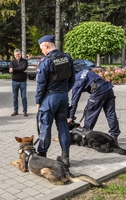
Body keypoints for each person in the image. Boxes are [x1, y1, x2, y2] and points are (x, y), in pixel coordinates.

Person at [35, 35, 75, 167]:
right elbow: (72, 79)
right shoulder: (67, 58)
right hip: (63, 97)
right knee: (63, 126)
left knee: (45, 127)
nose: (42, 51)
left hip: (50, 98)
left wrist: (38, 101)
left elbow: (41, 84)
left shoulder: (46, 61)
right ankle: (65, 158)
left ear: (46, 46)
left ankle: (42, 156)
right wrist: (64, 90)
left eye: (42, 48)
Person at [68, 69, 120, 144]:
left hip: (98, 91)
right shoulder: (83, 71)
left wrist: (70, 116)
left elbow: (74, 101)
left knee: (90, 113)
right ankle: (114, 136)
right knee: (110, 113)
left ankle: (85, 137)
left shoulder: (76, 82)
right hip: (108, 88)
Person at [9, 49, 28, 117]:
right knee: (14, 97)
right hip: (14, 82)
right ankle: (15, 111)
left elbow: (23, 68)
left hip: (23, 82)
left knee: (23, 97)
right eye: (16, 55)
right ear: (14, 55)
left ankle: (25, 111)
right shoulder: (12, 62)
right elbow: (11, 70)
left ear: (21, 54)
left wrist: (14, 69)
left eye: (18, 54)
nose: (17, 55)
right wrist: (20, 70)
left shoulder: (25, 61)